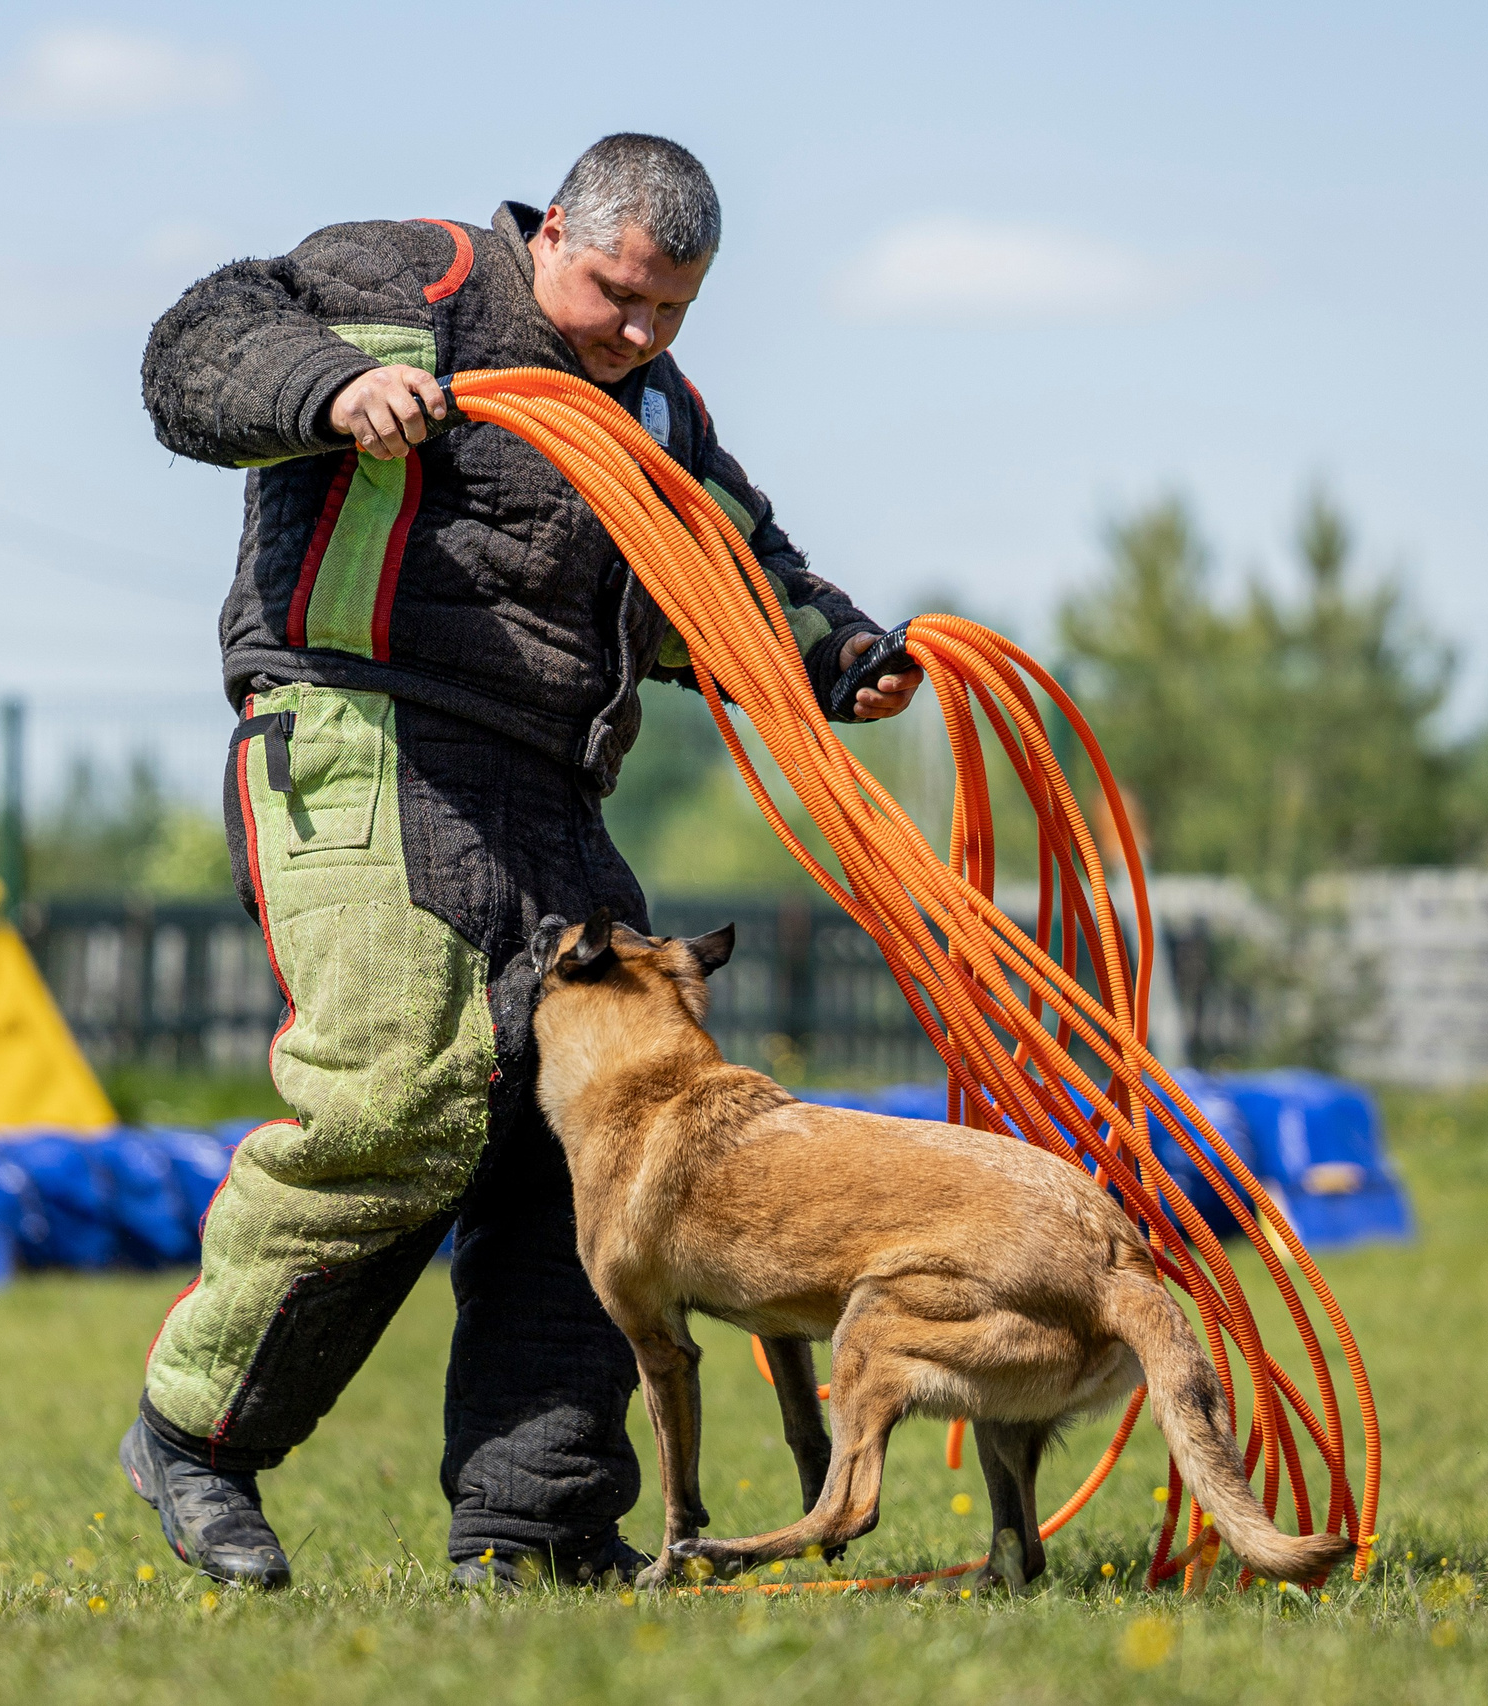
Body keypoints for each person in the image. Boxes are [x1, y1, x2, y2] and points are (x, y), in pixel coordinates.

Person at [117, 133, 922, 1591]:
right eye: (619, 295)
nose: (640, 333)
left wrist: (838, 653)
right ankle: (197, 1433)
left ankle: (536, 1528)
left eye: (671, 311)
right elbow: (199, 346)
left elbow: (739, 572)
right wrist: (336, 390)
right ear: (554, 230)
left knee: (612, 1136)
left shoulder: (658, 413)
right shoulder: (406, 279)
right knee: (400, 1090)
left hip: (550, 789)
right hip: (361, 728)